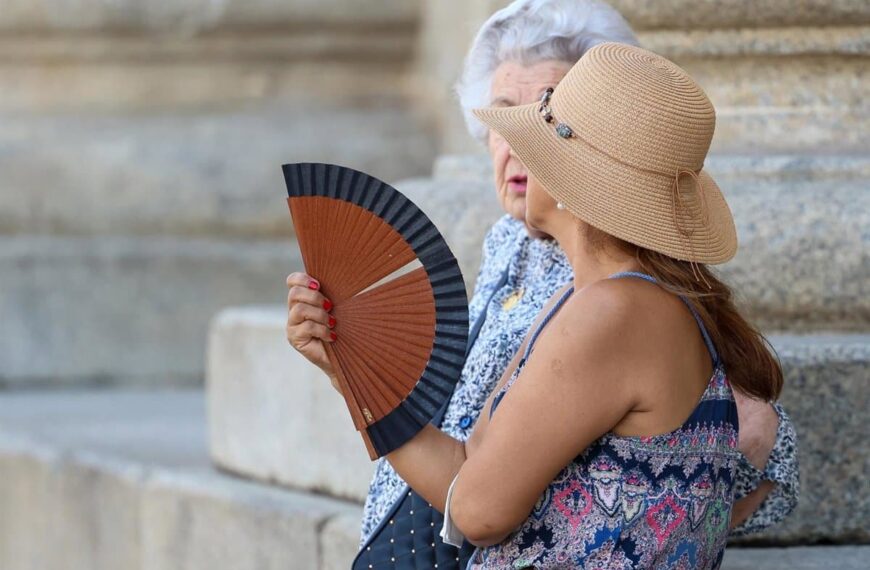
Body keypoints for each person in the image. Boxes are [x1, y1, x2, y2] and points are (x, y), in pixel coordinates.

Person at [284, 1, 798, 565]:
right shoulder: (579, 299)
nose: (517, 151)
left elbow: (478, 513)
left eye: (538, 135)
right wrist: (349, 370)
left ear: (581, 179)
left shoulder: (616, 311)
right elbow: (464, 472)